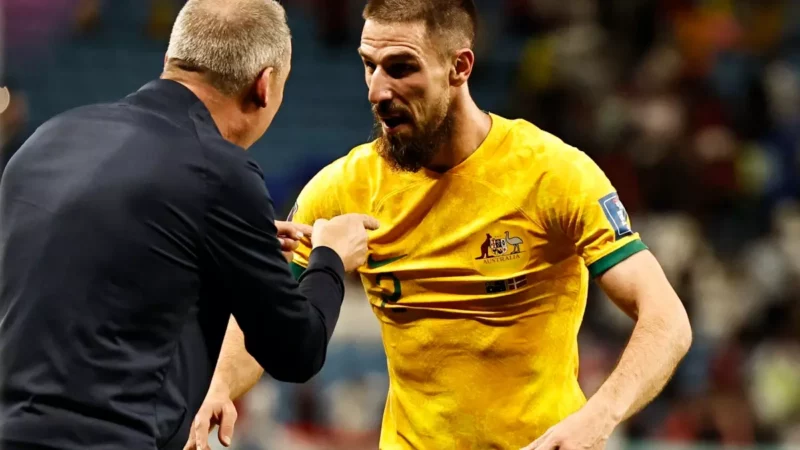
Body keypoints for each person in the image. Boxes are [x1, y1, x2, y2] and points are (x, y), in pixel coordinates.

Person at [187, 0, 693, 449]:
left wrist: (598, 418)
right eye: (369, 66)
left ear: (460, 67)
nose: (378, 90)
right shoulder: (341, 189)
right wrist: (219, 388)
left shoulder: (553, 175)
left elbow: (666, 320)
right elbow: (268, 308)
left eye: (401, 68)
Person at [0, 1, 379, 449]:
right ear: (264, 85)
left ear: (170, 60)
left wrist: (231, 241)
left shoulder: (46, 140)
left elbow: (101, 273)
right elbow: (296, 351)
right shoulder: (219, 172)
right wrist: (330, 258)